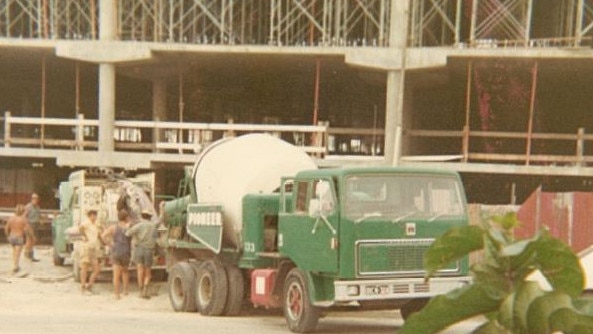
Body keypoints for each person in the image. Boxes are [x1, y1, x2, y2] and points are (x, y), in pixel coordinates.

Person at [125, 209, 157, 299]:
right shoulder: (153, 225)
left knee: (140, 271)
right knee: (147, 272)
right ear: (150, 217)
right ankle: (145, 289)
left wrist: (129, 226)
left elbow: (127, 234)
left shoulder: (138, 226)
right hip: (149, 250)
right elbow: (160, 221)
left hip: (139, 249)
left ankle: (140, 290)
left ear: (142, 216)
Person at [101, 209, 132, 300]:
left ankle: (116, 294)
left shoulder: (113, 227)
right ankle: (125, 291)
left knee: (116, 274)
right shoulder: (128, 227)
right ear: (126, 218)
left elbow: (103, 235)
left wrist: (109, 244)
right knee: (125, 272)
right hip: (126, 251)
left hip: (116, 250)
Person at [78, 209, 103, 294]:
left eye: (95, 215)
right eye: (92, 215)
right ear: (89, 216)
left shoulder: (96, 224)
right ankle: (83, 287)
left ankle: (90, 285)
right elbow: (80, 229)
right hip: (86, 247)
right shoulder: (86, 223)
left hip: (94, 248)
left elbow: (99, 234)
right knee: (84, 267)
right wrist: (84, 237)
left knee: (96, 269)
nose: (94, 217)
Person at [4, 205, 33, 273]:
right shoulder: (23, 219)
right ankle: (15, 266)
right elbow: (28, 229)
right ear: (22, 212)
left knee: (14, 252)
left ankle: (15, 265)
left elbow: (6, 229)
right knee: (18, 253)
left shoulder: (11, 219)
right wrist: (32, 237)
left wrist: (8, 236)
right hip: (19, 237)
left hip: (11, 236)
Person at [24, 193, 41, 262]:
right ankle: (28, 254)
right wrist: (26, 225)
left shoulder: (38, 207)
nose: (35, 200)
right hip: (29, 224)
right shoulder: (28, 207)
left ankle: (30, 254)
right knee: (30, 239)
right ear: (31, 199)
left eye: (36, 198)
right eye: (34, 198)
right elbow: (24, 216)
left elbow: (39, 215)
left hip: (36, 225)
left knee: (33, 240)